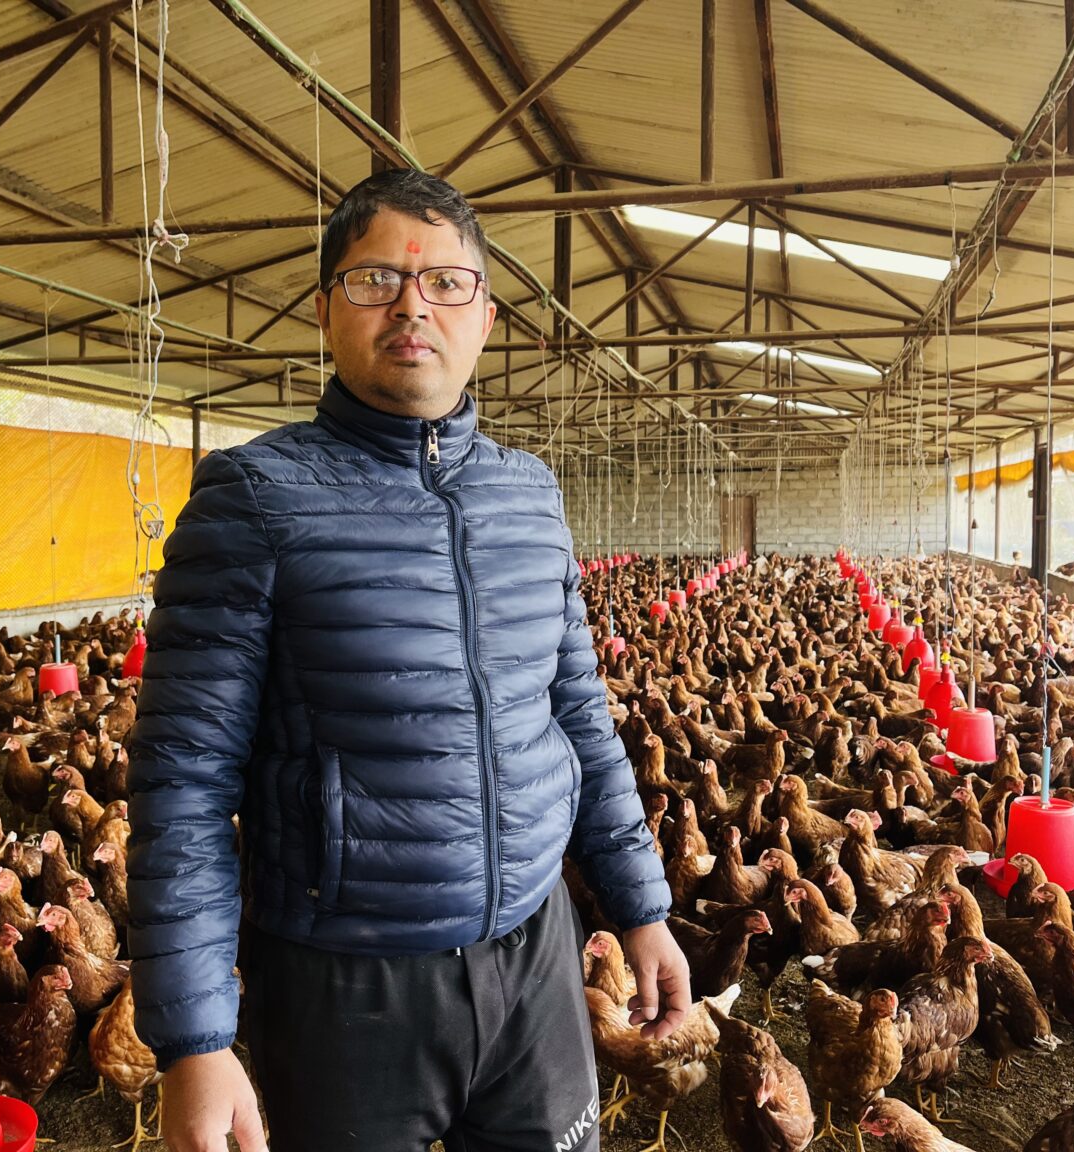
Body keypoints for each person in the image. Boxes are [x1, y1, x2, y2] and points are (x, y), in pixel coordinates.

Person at [127, 168, 687, 1152]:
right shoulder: (253, 497)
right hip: (344, 982)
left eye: (445, 284)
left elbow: (578, 716)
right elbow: (183, 780)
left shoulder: (530, 495)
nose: (412, 306)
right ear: (324, 309)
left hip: (534, 953)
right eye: (375, 279)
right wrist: (195, 1039)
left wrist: (641, 905)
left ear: (487, 316)